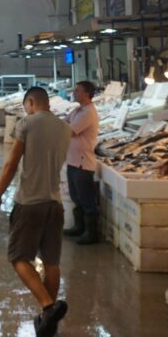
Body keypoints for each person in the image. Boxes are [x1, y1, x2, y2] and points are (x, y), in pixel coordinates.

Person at [0, 87, 71, 337]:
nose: (26, 110)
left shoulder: (27, 123)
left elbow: (11, 164)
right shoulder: (65, 128)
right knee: (52, 262)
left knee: (18, 258)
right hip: (54, 203)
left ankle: (48, 306)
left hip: (29, 203)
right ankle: (48, 321)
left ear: (32, 102)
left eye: (27, 106)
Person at [63, 80, 100, 245]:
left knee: (86, 199)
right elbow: (64, 123)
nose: (74, 92)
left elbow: (69, 131)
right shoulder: (77, 110)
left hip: (83, 163)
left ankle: (91, 233)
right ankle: (79, 226)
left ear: (86, 94)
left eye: (77, 91)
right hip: (73, 161)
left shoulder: (88, 113)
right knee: (76, 196)